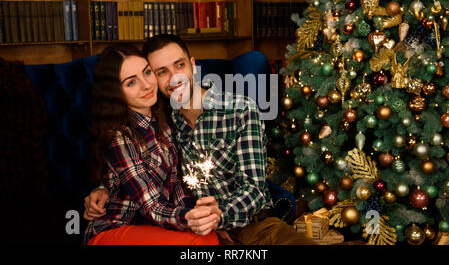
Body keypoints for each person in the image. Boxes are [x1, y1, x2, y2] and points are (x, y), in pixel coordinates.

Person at [85, 36, 316, 245]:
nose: (174, 78)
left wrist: (218, 218)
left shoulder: (240, 109)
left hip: (249, 225)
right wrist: (105, 186)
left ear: (193, 65)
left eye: (180, 65)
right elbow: (141, 182)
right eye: (161, 71)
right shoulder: (163, 118)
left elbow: (254, 190)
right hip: (195, 228)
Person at [83, 44, 219, 245]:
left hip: (150, 227)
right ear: (115, 92)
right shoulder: (120, 136)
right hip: (114, 229)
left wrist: (197, 214)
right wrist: (189, 218)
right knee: (199, 243)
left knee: (208, 236)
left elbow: (177, 184)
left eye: (147, 72)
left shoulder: (163, 121)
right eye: (131, 83)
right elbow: (152, 205)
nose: (146, 85)